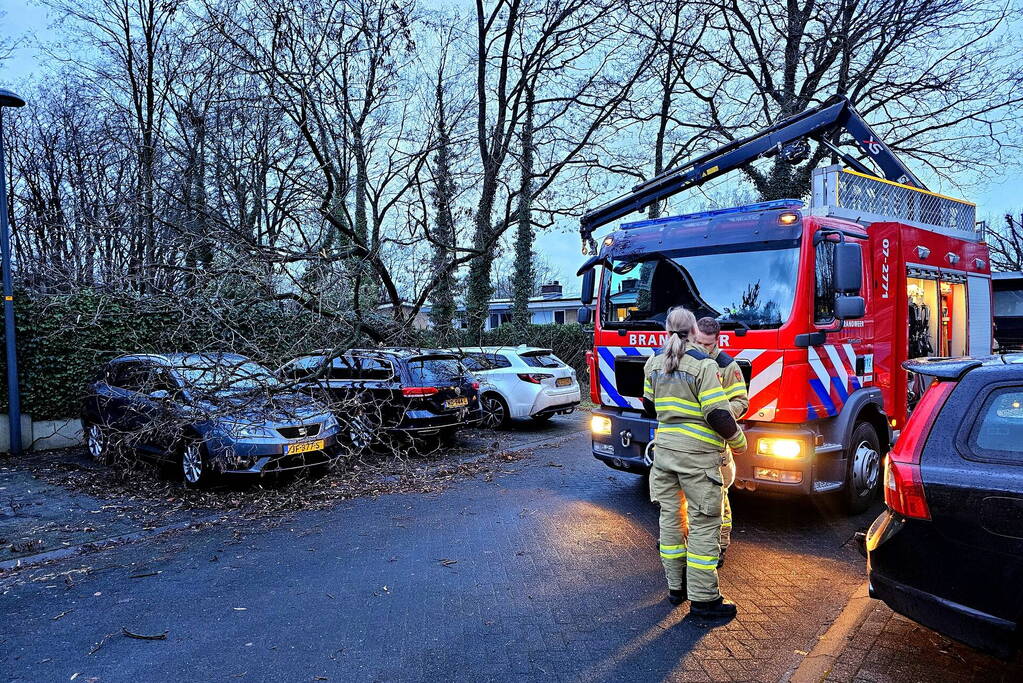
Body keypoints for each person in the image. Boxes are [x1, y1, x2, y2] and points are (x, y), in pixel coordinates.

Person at [643, 307, 747, 619]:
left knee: (671, 520)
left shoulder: (653, 363)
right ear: (692, 332)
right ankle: (704, 600)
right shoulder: (703, 365)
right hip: (699, 459)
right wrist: (739, 442)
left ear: (667, 330)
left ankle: (677, 589)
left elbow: (650, 407)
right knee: (704, 523)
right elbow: (718, 414)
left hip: (664, 455)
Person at [694, 317, 749, 568]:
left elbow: (742, 401)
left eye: (707, 344)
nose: (702, 348)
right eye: (697, 342)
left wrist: (720, 414)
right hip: (693, 442)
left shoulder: (727, 366)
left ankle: (721, 545)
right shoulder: (691, 360)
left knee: (719, 496)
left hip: (716, 440)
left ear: (717, 340)